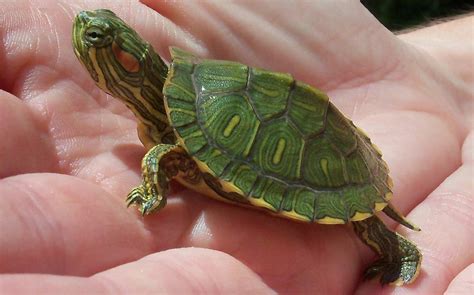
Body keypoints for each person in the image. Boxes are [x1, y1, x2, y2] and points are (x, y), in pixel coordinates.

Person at [0, 1, 472, 293]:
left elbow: (165, 156)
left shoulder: (172, 128)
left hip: (321, 158)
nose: (85, 28)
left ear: (128, 61)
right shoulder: (183, 92)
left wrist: (153, 190)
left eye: (99, 36)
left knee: (357, 217)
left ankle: (394, 248)